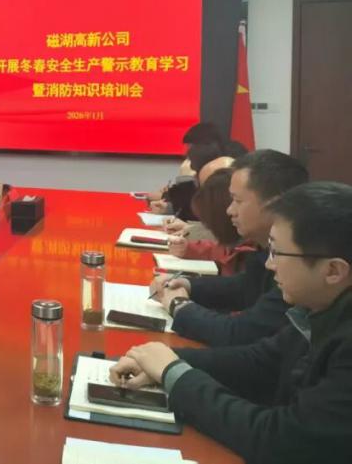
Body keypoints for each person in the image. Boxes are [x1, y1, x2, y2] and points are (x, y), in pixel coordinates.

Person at [110, 182, 352, 464]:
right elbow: (261, 363)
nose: (269, 264)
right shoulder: (319, 308)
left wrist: (176, 375)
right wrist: (164, 361)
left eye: (278, 253)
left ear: (333, 270)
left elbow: (281, 441)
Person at [152, 149, 309, 346]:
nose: (229, 210)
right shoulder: (267, 248)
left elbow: (241, 333)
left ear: (274, 206)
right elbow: (245, 287)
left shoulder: (298, 261)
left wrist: (179, 305)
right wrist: (187, 284)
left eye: (237, 201)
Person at [167, 168, 258, 276]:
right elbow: (222, 251)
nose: (231, 210)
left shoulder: (253, 255)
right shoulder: (239, 245)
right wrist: (189, 249)